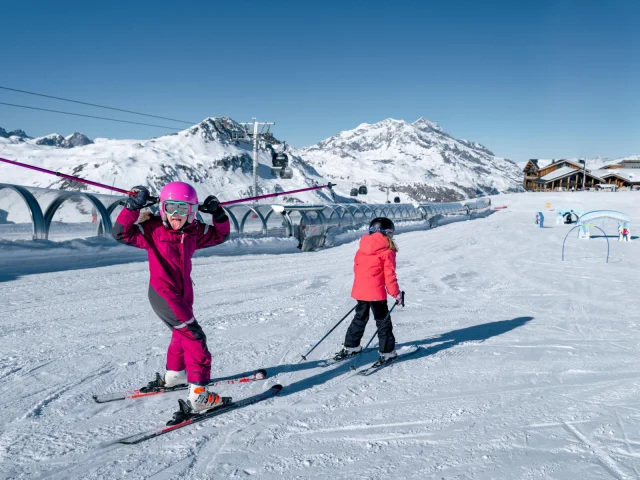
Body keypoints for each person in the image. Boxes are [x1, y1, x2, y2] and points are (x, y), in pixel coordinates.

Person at [112, 182, 230, 413]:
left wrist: (218, 214)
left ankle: (175, 376)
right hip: (164, 294)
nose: (176, 215)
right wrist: (132, 207)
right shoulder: (152, 230)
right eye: (171, 208)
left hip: (183, 294)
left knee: (181, 334)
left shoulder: (194, 231)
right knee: (195, 338)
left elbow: (220, 236)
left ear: (193, 211)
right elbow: (120, 233)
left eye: (183, 209)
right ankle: (199, 397)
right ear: (162, 208)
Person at [334, 217, 403, 365]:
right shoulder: (387, 251)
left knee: (360, 318)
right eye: (391, 233)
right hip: (376, 294)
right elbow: (389, 276)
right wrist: (396, 294)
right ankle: (387, 352)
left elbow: (358, 270)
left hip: (361, 291)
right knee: (383, 322)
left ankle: (351, 346)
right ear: (387, 233)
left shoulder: (362, 248)